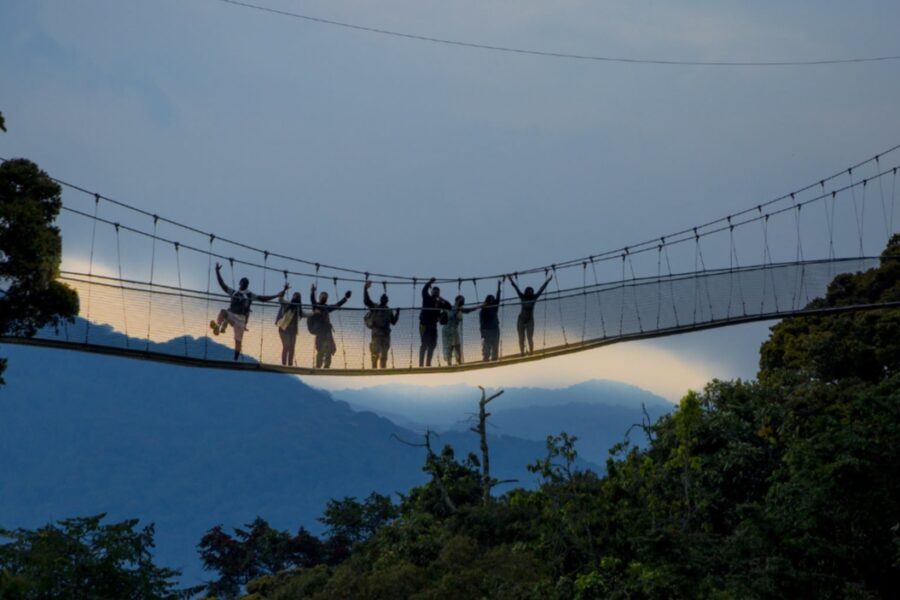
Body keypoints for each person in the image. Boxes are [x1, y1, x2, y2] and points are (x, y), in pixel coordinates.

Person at [210, 263, 287, 361]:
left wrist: (276, 295)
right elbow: (222, 284)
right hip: (232, 315)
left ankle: (235, 360)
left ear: (245, 284)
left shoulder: (249, 295)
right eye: (243, 283)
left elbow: (263, 298)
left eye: (245, 283)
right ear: (240, 283)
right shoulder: (235, 293)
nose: (243, 284)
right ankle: (218, 326)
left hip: (241, 320)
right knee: (223, 312)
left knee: (238, 341)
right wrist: (217, 271)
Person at [309, 282, 352, 369]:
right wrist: (312, 292)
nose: (324, 297)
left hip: (327, 332)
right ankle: (318, 366)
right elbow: (312, 300)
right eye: (322, 295)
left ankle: (326, 366)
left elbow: (337, 305)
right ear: (319, 297)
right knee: (321, 349)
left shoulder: (327, 307)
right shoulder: (316, 306)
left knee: (328, 348)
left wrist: (345, 298)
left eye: (325, 296)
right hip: (320, 332)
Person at [509, 273, 553, 355]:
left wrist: (548, 281)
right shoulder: (522, 296)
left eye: (531, 292)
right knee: (521, 338)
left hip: (530, 320)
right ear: (526, 292)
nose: (530, 293)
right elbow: (516, 288)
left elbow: (541, 289)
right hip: (521, 320)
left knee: (530, 337)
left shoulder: (534, 297)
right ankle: (522, 353)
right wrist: (511, 280)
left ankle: (531, 352)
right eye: (529, 292)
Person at [363, 281, 400, 369]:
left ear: (387, 301)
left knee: (384, 355)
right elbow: (367, 301)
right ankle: (374, 369)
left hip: (386, 335)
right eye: (383, 299)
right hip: (376, 333)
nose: (384, 300)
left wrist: (397, 313)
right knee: (375, 354)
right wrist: (365, 289)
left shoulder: (389, 310)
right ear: (380, 300)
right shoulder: (375, 307)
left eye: (385, 299)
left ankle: (383, 370)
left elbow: (393, 322)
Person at [419, 277, 451, 367]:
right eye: (434, 291)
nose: (436, 292)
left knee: (432, 345)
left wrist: (440, 298)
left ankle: (428, 363)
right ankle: (421, 365)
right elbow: (424, 290)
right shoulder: (427, 298)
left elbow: (449, 306)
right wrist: (429, 282)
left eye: (437, 292)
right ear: (432, 292)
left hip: (433, 325)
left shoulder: (439, 302)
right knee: (424, 344)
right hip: (424, 325)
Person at [442, 295, 476, 366]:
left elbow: (468, 310)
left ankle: (459, 361)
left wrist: (479, 307)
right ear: (457, 300)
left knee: (457, 345)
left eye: (463, 300)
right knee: (450, 346)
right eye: (461, 300)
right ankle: (449, 362)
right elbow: (450, 316)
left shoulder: (460, 309)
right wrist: (456, 311)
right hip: (448, 329)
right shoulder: (452, 307)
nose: (462, 301)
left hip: (454, 329)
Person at [276, 291, 304, 366]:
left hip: (292, 331)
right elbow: (280, 300)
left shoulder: (298, 309)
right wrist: (284, 290)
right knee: (287, 346)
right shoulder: (288, 304)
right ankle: (284, 363)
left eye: (298, 297)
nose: (297, 298)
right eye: (295, 296)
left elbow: (304, 314)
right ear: (293, 297)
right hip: (284, 329)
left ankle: (290, 364)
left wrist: (314, 313)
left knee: (292, 347)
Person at [479, 278, 504, 362]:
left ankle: (494, 358)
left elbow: (498, 298)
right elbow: (481, 322)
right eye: (490, 299)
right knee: (486, 345)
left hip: (495, 329)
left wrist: (499, 286)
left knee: (495, 344)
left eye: (492, 299)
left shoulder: (494, 307)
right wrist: (482, 332)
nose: (492, 300)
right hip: (487, 330)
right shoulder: (483, 310)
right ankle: (486, 358)